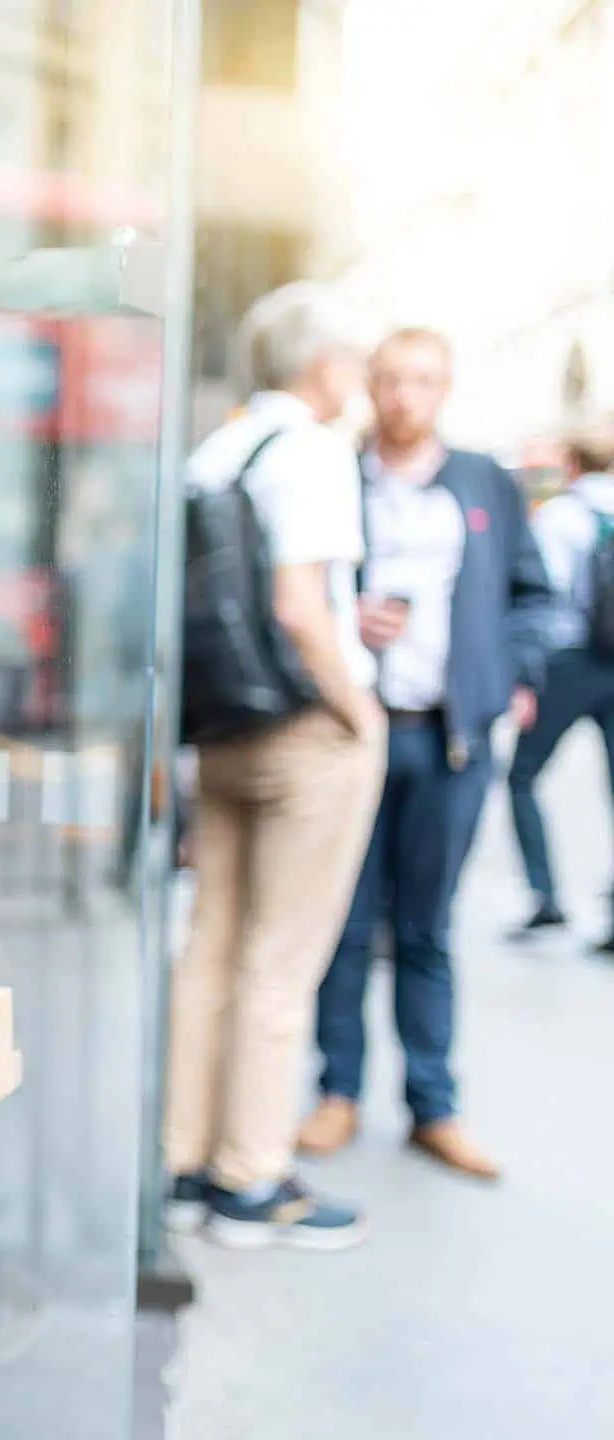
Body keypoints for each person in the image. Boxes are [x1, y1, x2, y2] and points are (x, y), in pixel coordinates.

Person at [161, 283, 387, 1250]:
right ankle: (249, 1179)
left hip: (221, 731)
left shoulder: (221, 446)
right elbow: (302, 606)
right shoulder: (315, 453)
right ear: (327, 366)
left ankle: (182, 1160)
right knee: (282, 961)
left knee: (210, 947)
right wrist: (359, 710)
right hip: (302, 732)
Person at [299, 327, 552, 1182]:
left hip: (452, 740)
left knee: (427, 928)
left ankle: (433, 1108)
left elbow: (533, 595)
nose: (406, 396)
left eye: (424, 382)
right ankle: (337, 1093)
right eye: (393, 380)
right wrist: (350, 621)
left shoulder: (483, 482)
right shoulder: (333, 473)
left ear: (445, 390)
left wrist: (517, 676)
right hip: (358, 730)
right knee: (343, 922)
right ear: (370, 386)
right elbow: (299, 587)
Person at [506, 422, 614, 944]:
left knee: (522, 776)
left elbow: (538, 598)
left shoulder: (559, 516)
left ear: (571, 463)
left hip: (570, 662)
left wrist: (525, 674)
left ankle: (545, 896)